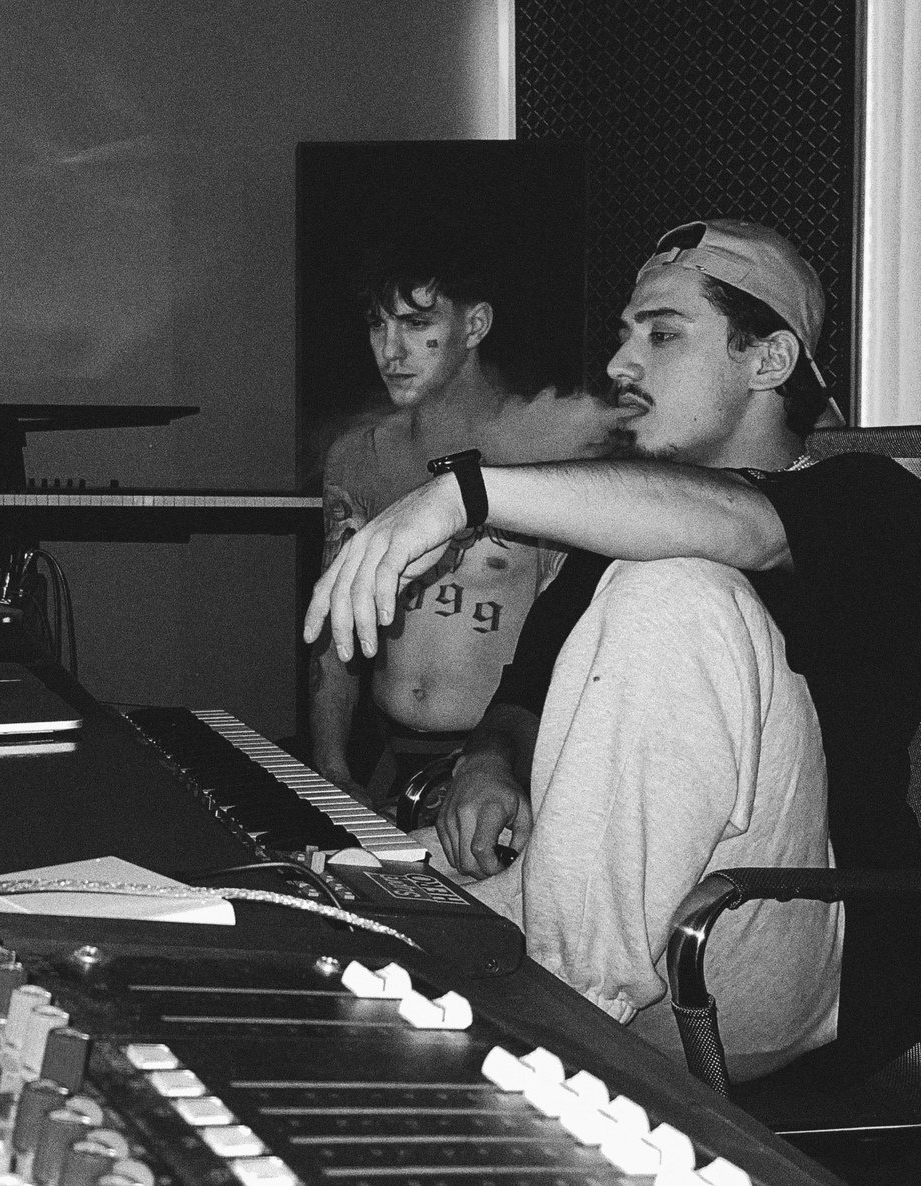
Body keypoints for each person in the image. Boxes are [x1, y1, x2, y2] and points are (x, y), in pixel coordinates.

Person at [303, 219, 921, 1080]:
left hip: (786, 941)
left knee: (674, 585)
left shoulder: (873, 499)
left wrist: (463, 495)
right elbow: (524, 696)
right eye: (626, 335)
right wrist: (490, 759)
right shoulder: (614, 531)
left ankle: (561, 1020)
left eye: (662, 335)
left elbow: (745, 528)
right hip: (614, 924)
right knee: (333, 908)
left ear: (769, 359)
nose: (623, 364)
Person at [309, 226, 629, 815]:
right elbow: (335, 626)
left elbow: (578, 635)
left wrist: (514, 766)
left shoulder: (550, 448)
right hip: (389, 757)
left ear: (475, 326)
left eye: (416, 324)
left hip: (502, 763)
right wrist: (332, 765)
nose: (390, 351)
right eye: (378, 325)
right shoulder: (360, 456)